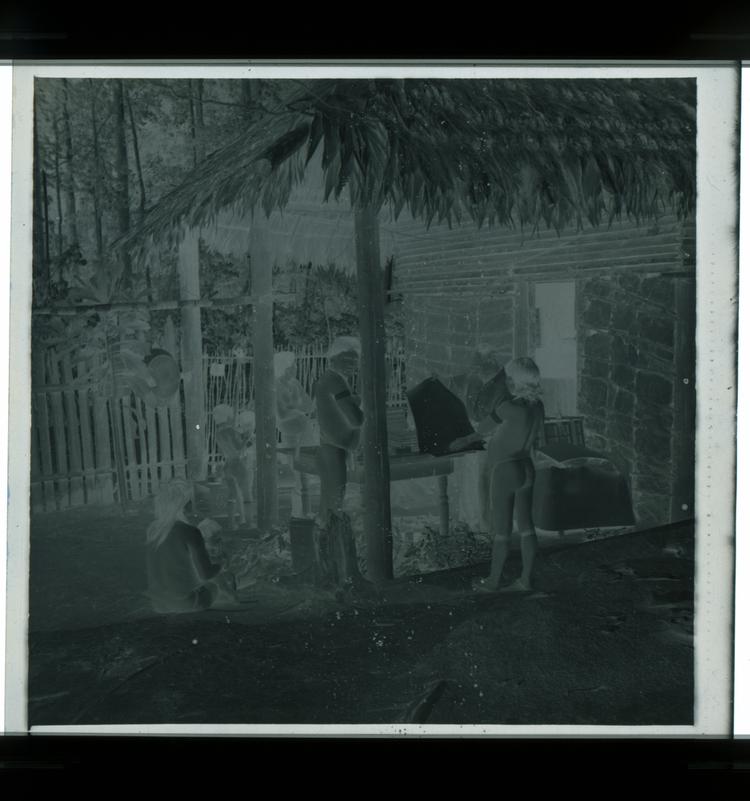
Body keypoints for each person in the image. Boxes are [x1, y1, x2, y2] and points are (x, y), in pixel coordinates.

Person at [451, 357, 545, 592]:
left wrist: (459, 441)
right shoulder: (538, 406)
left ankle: (493, 581)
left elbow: (478, 432)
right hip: (526, 466)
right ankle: (527, 578)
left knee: (502, 531)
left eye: (507, 377)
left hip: (506, 468)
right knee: (527, 527)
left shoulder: (507, 407)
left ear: (514, 380)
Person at [145, 479, 238, 613]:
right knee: (217, 583)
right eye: (191, 500)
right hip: (186, 602)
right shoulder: (191, 532)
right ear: (184, 504)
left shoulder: (153, 529)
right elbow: (206, 574)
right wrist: (221, 564)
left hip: (158, 602)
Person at [444, 345, 508, 532]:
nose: (478, 373)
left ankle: (487, 525)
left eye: (482, 369)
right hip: (474, 433)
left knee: (486, 480)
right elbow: (457, 385)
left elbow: (494, 419)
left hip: (493, 437)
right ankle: (471, 520)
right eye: (476, 368)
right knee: (470, 477)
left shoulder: (501, 385)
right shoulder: (474, 379)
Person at [314, 336, 364, 522]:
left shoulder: (332, 379)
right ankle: (329, 547)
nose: (352, 364)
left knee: (327, 507)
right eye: (346, 359)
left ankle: (323, 544)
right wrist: (365, 405)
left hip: (331, 449)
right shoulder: (336, 381)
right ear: (333, 358)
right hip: (334, 451)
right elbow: (357, 419)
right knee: (334, 507)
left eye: (354, 360)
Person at [213, 404, 254, 528]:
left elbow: (223, 451)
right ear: (227, 417)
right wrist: (246, 438)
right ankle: (249, 522)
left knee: (232, 496)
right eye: (231, 415)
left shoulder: (218, 433)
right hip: (238, 464)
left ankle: (231, 523)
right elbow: (238, 448)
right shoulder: (230, 430)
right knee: (246, 495)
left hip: (228, 465)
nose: (233, 418)